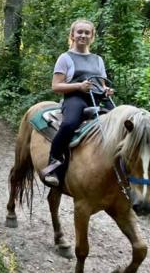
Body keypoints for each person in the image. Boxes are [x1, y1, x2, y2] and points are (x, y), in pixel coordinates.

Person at [43, 19, 114, 186]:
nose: (83, 35)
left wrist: (106, 90)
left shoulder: (98, 59)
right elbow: (55, 86)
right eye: (79, 32)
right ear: (72, 35)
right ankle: (54, 162)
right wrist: (79, 86)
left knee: (123, 123)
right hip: (75, 98)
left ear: (92, 36)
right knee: (69, 124)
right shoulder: (65, 57)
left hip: (98, 98)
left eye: (87, 33)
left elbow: (102, 84)